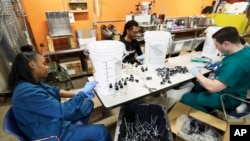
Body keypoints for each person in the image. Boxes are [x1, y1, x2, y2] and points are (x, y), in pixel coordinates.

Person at [8, 45, 112, 141]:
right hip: (49, 134)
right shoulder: (28, 93)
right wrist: (82, 93)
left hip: (48, 119)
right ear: (32, 65)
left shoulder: (32, 82)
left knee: (87, 104)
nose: (47, 67)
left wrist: (76, 94)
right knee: (101, 131)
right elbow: (64, 111)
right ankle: (73, 133)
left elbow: (55, 90)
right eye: (44, 64)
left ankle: (79, 131)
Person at [181, 26, 250, 113]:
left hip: (228, 97)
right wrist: (221, 65)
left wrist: (197, 73)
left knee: (186, 98)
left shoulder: (235, 64)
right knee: (197, 86)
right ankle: (204, 102)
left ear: (226, 44)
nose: (216, 48)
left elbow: (212, 88)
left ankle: (210, 114)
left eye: (216, 45)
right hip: (237, 88)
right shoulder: (246, 49)